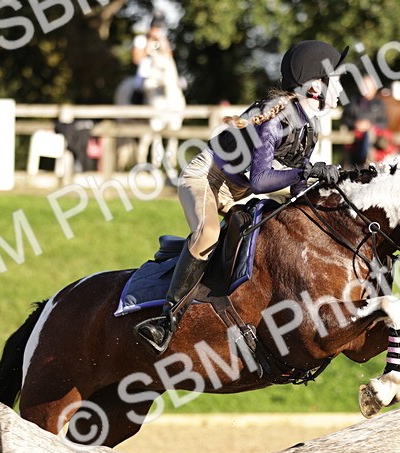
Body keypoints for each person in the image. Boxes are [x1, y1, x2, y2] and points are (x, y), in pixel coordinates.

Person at [135, 40, 347, 353]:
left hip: (237, 191)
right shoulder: (275, 120)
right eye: (337, 80)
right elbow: (261, 181)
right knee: (207, 232)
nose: (341, 89)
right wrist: (308, 172)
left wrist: (319, 206)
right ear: (316, 86)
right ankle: (166, 320)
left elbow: (297, 191)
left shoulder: (308, 128)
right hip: (205, 179)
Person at [341, 75, 392, 168]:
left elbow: (384, 123)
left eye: (368, 86)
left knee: (369, 135)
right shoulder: (353, 102)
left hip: (375, 139)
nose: (365, 89)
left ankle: (366, 162)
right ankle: (363, 162)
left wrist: (370, 126)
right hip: (355, 137)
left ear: (374, 88)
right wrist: (356, 124)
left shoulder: (380, 104)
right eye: (364, 86)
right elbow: (346, 119)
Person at [131, 16, 173, 103]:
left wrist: (164, 44)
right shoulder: (141, 39)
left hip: (161, 73)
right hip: (144, 73)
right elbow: (136, 59)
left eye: (158, 29)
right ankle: (137, 112)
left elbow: (169, 58)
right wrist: (147, 46)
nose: (156, 31)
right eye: (154, 28)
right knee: (138, 87)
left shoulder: (162, 41)